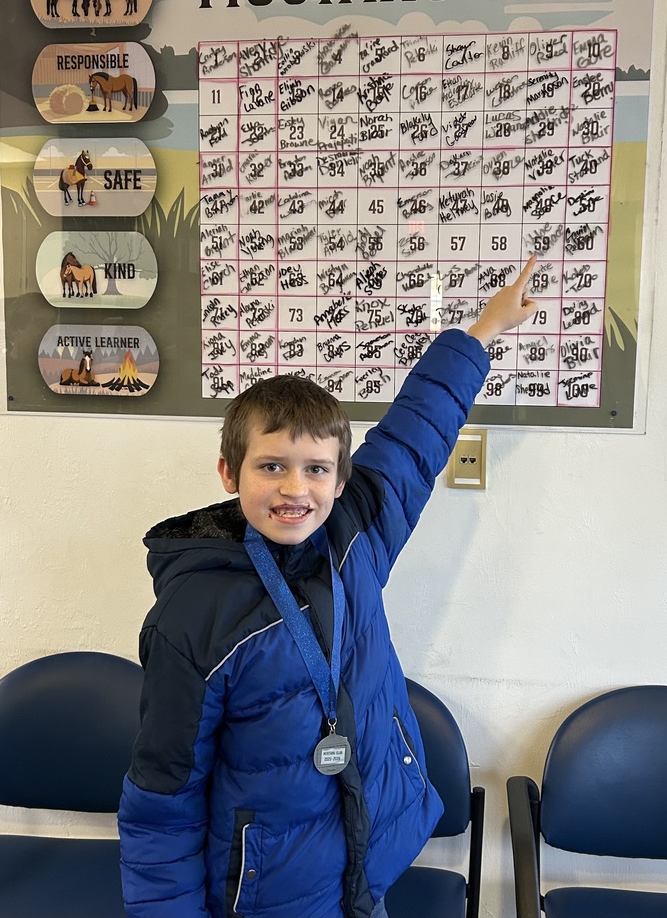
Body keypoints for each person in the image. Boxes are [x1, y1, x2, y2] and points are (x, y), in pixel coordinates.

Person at [118, 255, 538, 918]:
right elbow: (160, 805)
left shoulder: (357, 537)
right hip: (269, 890)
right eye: (271, 466)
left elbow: (413, 436)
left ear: (340, 482)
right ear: (229, 472)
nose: (294, 488)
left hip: (367, 857)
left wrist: (481, 331)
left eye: (315, 468)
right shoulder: (191, 618)